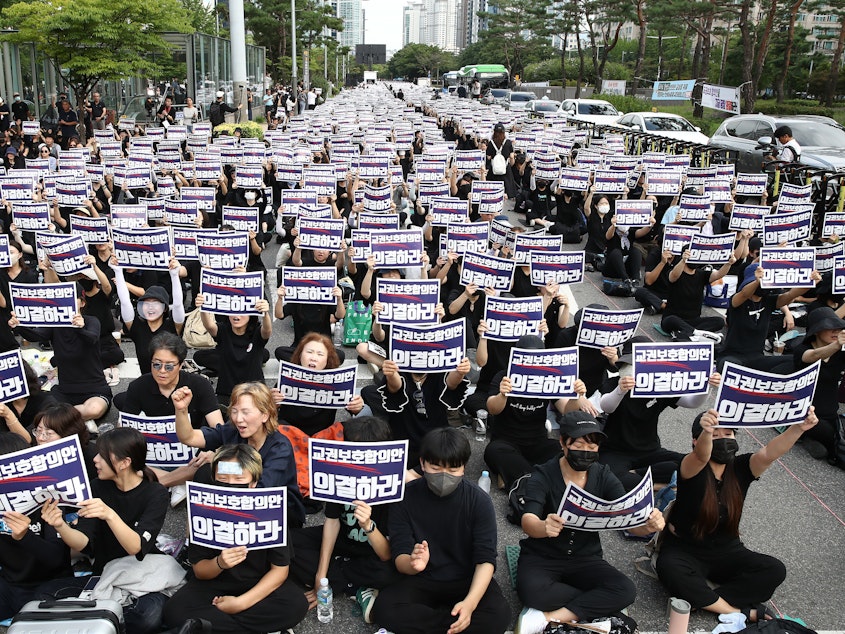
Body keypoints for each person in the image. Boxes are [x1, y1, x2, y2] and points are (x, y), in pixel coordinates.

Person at [656, 408, 818, 623]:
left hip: (727, 550)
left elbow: (770, 453)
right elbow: (701, 455)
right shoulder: (690, 466)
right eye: (715, 436)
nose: (722, 440)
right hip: (685, 550)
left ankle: (707, 600)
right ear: (695, 441)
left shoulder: (741, 467)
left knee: (774, 570)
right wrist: (707, 431)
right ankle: (738, 612)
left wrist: (798, 428)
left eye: (728, 434)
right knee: (670, 569)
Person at [514, 412, 665, 634]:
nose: (586, 452)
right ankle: (598, 606)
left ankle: (549, 617)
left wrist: (649, 526)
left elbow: (627, 519)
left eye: (592, 447)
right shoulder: (543, 475)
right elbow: (528, 519)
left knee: (626, 590)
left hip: (585, 557)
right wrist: (544, 527)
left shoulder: (603, 475)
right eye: (578, 444)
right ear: (563, 443)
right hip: (542, 557)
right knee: (532, 592)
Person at [370, 427, 511, 634]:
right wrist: (412, 564)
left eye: (453, 470)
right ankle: (456, 626)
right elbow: (399, 554)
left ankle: (435, 625)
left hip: (465, 578)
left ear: (463, 468)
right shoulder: (405, 496)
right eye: (435, 468)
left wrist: (470, 604)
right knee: (385, 608)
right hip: (421, 579)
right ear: (422, 464)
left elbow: (485, 560)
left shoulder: (479, 501)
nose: (444, 476)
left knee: (498, 614)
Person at [37, 427, 172, 634]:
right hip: (105, 573)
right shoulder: (97, 487)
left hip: (142, 575)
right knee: (43, 594)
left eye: (102, 455)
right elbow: (82, 542)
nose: (95, 460)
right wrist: (60, 525)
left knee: (148, 619)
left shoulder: (156, 493)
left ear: (124, 463)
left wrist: (109, 514)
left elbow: (136, 547)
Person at [162, 444, 308, 633]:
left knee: (296, 605)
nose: (229, 485)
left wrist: (239, 603)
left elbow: (279, 571)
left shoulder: (271, 509)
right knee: (174, 612)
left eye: (239, 479)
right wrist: (220, 562)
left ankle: (214, 627)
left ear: (253, 482)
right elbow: (200, 571)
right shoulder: (204, 509)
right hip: (215, 585)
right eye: (222, 479)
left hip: (259, 583)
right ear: (214, 479)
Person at [289, 417, 401, 623]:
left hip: (374, 551)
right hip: (344, 542)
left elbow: (386, 554)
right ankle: (354, 583)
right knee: (286, 544)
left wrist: (368, 525)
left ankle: (344, 579)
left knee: (394, 570)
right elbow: (332, 522)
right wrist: (320, 577)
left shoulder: (394, 486)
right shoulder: (341, 473)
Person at [171, 381, 306, 528]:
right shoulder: (233, 430)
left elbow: (259, 493)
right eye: (234, 411)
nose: (238, 418)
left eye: (245, 412)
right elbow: (189, 438)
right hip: (239, 499)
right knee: (204, 473)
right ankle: (192, 539)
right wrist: (182, 410)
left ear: (265, 415)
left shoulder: (280, 448)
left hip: (278, 512)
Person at [483, 334, 588, 490]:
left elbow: (566, 410)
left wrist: (576, 396)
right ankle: (536, 479)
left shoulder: (550, 377)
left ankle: (514, 475)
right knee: (493, 451)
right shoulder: (503, 376)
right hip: (506, 440)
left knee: (565, 451)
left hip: (537, 441)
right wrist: (503, 395)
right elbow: (492, 409)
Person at [9, 283, 112, 422]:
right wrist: (19, 326)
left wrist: (79, 328)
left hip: (95, 388)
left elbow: (92, 338)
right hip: (65, 389)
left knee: (93, 410)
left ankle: (64, 419)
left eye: (71, 299)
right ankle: (71, 420)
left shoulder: (92, 321)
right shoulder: (56, 325)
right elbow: (36, 336)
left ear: (82, 303)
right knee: (46, 412)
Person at [0, 433, 72, 619]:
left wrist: (25, 537)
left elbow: (56, 558)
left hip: (50, 585)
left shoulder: (48, 496)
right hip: (10, 584)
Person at [193, 295, 272, 404]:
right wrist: (203, 308)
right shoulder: (223, 330)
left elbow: (267, 331)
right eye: (233, 312)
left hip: (255, 392)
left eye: (241, 313)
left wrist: (265, 313)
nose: (236, 316)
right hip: (227, 392)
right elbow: (209, 326)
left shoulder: (257, 332)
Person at [113, 260, 185, 375]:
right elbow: (125, 302)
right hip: (146, 383)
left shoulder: (172, 326)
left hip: (172, 382)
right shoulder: (137, 327)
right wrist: (118, 270)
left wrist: (174, 275)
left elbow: (178, 304)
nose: (150, 307)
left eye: (156, 303)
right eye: (146, 303)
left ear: (165, 308)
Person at [792, 307, 845, 464]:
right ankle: (815, 440)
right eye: (830, 327)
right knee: (831, 436)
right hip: (805, 412)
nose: (836, 331)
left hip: (831, 413)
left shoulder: (841, 353)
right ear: (816, 330)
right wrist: (836, 346)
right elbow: (814, 356)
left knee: (835, 431)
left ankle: (811, 439)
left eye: (839, 328)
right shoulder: (802, 349)